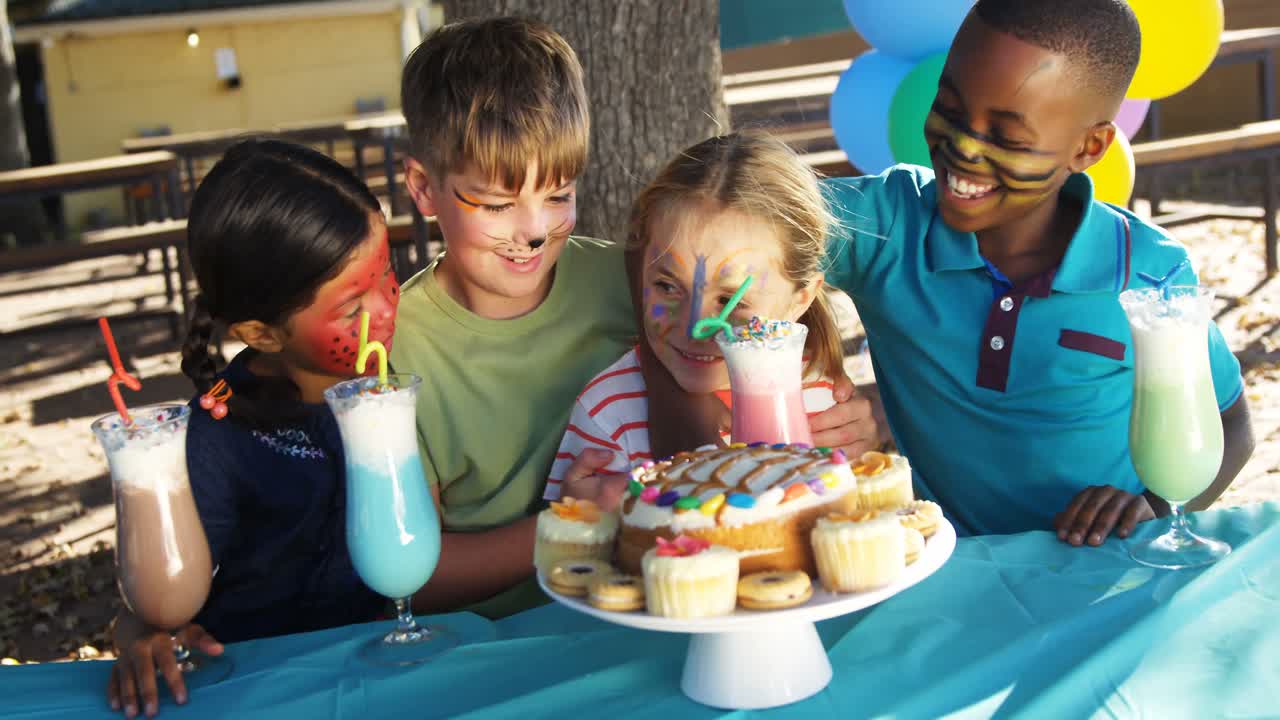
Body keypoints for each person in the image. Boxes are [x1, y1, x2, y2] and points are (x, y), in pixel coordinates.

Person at [644, 0, 1254, 543]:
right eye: (950, 108)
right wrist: (693, 401)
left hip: (1103, 575)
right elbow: (694, 233)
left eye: (1007, 136)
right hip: (945, 570)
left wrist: (1154, 507)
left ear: (1088, 148)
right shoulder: (888, 224)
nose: (963, 148)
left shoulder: (1148, 273)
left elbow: (1231, 425)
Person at [389, 17, 880, 620]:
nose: (535, 231)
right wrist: (580, 519)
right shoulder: (397, 350)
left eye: (559, 195)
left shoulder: (644, 281)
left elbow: (736, 348)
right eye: (496, 204)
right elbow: (414, 578)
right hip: (493, 633)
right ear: (422, 187)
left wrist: (839, 424)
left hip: (666, 601)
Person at [107, 138, 399, 718]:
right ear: (261, 334)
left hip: (376, 676)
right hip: (250, 690)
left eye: (388, 272)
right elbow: (157, 589)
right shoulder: (219, 434)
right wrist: (141, 636)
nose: (387, 309)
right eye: (352, 308)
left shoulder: (391, 387)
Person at [545, 130, 847, 492]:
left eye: (730, 300)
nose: (694, 327)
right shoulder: (608, 414)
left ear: (801, 298)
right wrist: (606, 514)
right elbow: (567, 524)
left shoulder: (826, 402)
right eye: (668, 286)